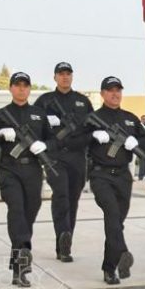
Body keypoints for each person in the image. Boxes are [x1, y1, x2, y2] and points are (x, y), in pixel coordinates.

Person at [0, 71, 53, 287]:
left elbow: (53, 141)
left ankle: (17, 260)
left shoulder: (39, 114)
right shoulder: (0, 115)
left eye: (25, 85)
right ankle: (23, 260)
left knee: (29, 214)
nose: (21, 89)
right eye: (17, 85)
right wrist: (0, 134)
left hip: (32, 170)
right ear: (11, 88)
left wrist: (46, 145)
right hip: (9, 170)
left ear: (29, 89)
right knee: (17, 210)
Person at [86, 76, 145, 285]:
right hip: (100, 175)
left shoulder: (131, 119)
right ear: (103, 93)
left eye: (118, 90)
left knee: (116, 223)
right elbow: (72, 141)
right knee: (112, 215)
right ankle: (122, 253)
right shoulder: (92, 118)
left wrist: (136, 141)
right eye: (110, 90)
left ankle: (109, 267)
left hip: (123, 176)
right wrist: (93, 136)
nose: (115, 94)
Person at [33, 61, 94, 262]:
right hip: (55, 158)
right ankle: (62, 235)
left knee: (73, 200)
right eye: (61, 73)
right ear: (55, 77)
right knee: (61, 195)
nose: (65, 77)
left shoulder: (82, 102)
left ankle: (66, 243)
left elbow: (92, 129)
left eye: (68, 73)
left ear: (72, 76)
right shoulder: (45, 101)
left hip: (77, 157)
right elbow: (34, 127)